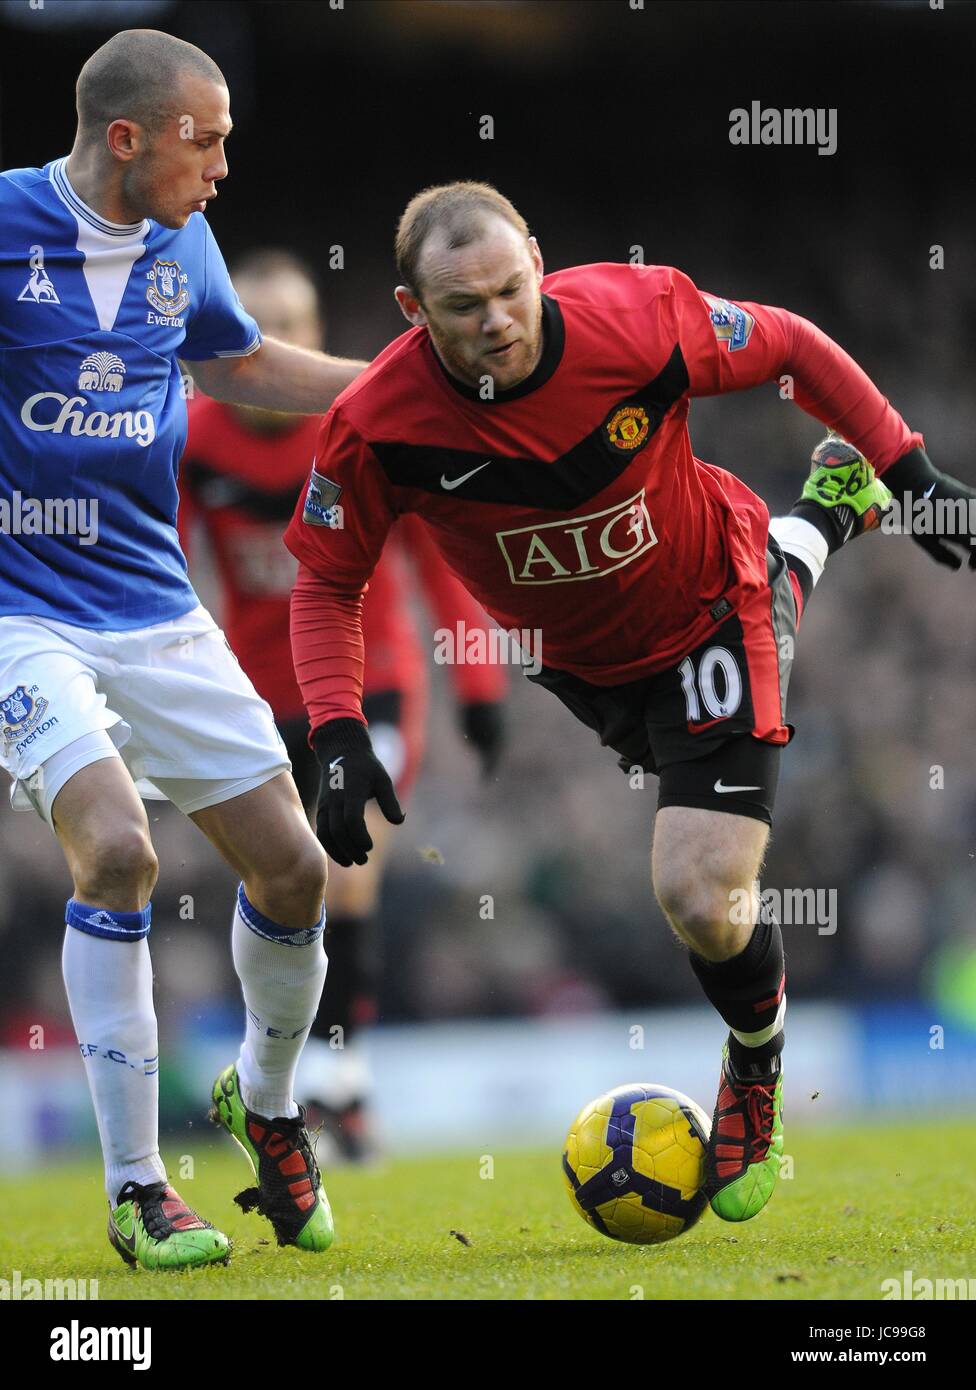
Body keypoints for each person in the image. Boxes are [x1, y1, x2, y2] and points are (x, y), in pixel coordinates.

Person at [285, 180, 975, 1225]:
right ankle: (820, 528)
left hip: (709, 609)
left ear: (537, 258)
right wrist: (335, 729)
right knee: (697, 886)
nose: (497, 320)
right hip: (589, 670)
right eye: (462, 306)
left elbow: (786, 342)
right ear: (408, 309)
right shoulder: (373, 425)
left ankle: (754, 1067)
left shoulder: (639, 317)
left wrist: (909, 466)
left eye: (512, 289)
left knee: (697, 892)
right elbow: (328, 581)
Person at [0, 29, 366, 1270]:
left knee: (297, 874)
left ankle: (263, 1109)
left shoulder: (183, 245)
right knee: (115, 847)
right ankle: (138, 1188)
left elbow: (243, 360)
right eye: (203, 140)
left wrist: (391, 389)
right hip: (19, 610)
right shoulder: (1, 227)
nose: (220, 166)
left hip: (153, 601)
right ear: (129, 138)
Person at [180, 249, 507, 1159]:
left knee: (342, 863)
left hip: (373, 686)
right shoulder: (193, 438)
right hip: (254, 697)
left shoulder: (361, 425)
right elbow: (162, 561)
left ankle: (340, 1081)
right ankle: (301, 1091)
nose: (279, 339)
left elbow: (438, 560)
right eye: (259, 322)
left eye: (297, 323)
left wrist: (479, 684)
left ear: (319, 338)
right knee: (283, 890)